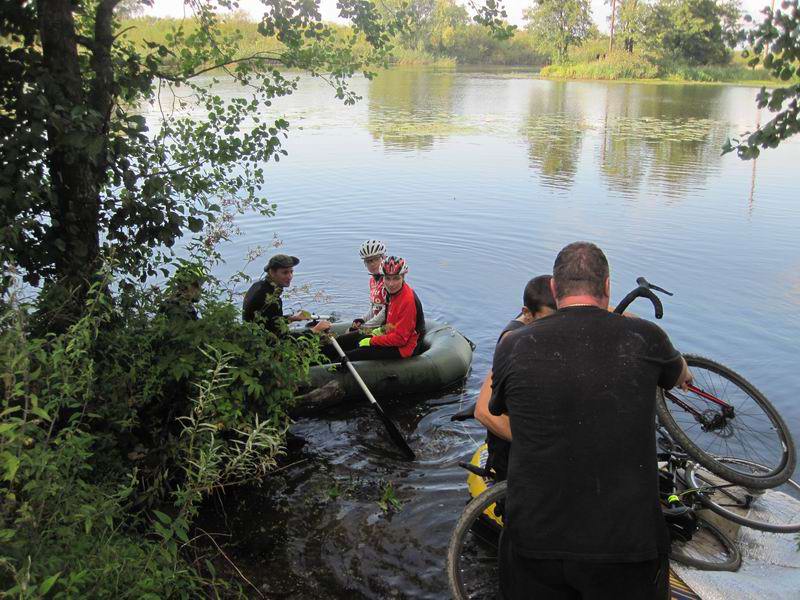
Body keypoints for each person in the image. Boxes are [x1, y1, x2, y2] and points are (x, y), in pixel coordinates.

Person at [489, 241, 692, 600]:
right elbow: (680, 376)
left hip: (535, 539)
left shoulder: (512, 345)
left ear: (554, 288)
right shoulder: (646, 337)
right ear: (608, 287)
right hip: (626, 544)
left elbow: (498, 409)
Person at [473, 275, 557, 479]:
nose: (555, 328)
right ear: (527, 314)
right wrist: (541, 445)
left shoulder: (548, 330)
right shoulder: (511, 342)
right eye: (548, 320)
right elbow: (483, 411)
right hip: (513, 447)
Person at [322, 256, 424, 362]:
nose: (391, 284)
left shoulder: (408, 300)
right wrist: (376, 332)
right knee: (345, 340)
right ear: (383, 277)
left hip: (403, 349)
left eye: (396, 278)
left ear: (403, 277)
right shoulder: (391, 293)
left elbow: (401, 339)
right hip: (389, 336)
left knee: (350, 356)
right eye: (387, 278)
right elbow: (391, 323)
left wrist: (372, 341)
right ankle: (318, 358)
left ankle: (328, 369)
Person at [243, 254, 329, 334]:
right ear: (272, 272)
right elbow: (281, 340)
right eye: (285, 272)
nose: (290, 276)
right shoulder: (270, 300)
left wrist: (291, 318)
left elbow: (270, 322)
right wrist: (315, 330)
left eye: (291, 272)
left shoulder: (258, 286)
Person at [350, 239, 388, 332]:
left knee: (350, 337)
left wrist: (365, 327)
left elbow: (386, 311)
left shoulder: (389, 282)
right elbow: (375, 307)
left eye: (376, 259)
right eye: (368, 261)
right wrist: (362, 319)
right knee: (349, 332)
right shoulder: (372, 280)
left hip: (387, 326)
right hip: (377, 325)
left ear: (383, 257)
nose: (372, 264)